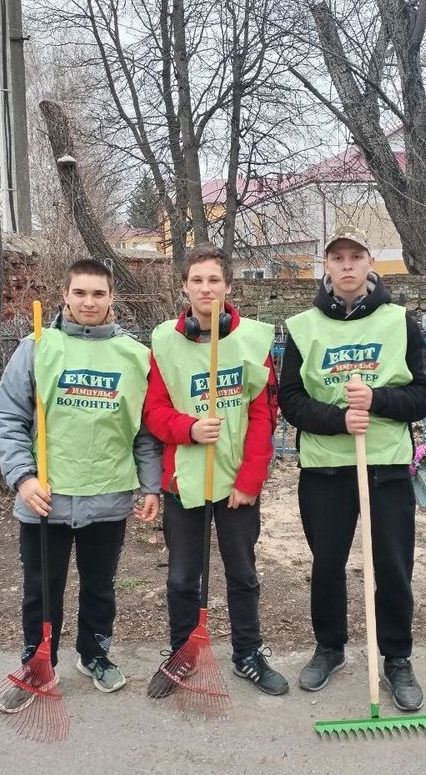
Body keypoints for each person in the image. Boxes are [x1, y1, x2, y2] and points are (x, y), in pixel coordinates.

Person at [0, 259, 162, 713]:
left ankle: (95, 654)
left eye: (98, 293)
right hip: (45, 499)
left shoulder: (135, 356)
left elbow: (145, 431)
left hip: (107, 496)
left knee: (100, 586)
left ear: (111, 297)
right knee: (41, 590)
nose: (89, 301)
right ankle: (38, 665)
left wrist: (150, 486)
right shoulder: (37, 347)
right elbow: (7, 418)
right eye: (80, 292)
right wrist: (23, 478)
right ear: (64, 295)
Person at [277, 225, 426, 712]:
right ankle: (330, 648)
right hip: (325, 470)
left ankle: (397, 658)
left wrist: (377, 399)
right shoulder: (303, 327)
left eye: (356, 256)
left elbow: (424, 395)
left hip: (385, 467)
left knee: (392, 566)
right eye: (337, 258)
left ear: (370, 263)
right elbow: (290, 400)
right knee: (327, 564)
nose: (347, 265)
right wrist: (340, 419)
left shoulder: (400, 323)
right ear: (326, 266)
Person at [143, 244, 288, 697]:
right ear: (184, 287)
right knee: (182, 577)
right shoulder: (164, 341)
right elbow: (153, 413)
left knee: (242, 574)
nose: (206, 289)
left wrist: (250, 480)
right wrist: (188, 429)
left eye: (214, 280)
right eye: (197, 280)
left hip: (235, 483)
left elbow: (264, 416)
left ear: (228, 286)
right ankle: (182, 653)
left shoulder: (252, 341)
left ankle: (248, 653)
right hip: (183, 481)